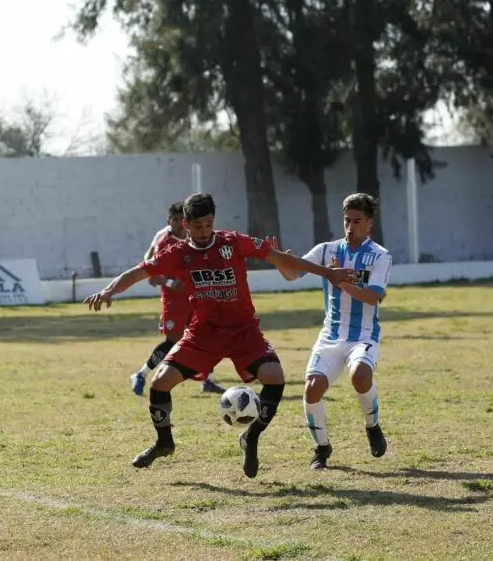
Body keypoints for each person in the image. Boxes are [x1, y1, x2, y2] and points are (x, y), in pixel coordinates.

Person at [84, 192, 357, 478]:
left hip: (243, 331)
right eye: (197, 226)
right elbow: (138, 272)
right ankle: (164, 442)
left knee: (275, 377)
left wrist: (329, 273)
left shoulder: (232, 242)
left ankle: (251, 438)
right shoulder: (177, 253)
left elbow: (279, 258)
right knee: (160, 383)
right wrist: (109, 290)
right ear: (185, 225)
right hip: (203, 333)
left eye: (208, 224)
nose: (204, 232)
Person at [272, 193, 392, 470]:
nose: (350, 226)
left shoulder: (380, 256)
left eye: (357, 221)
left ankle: (372, 426)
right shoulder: (326, 250)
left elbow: (373, 297)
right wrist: (279, 260)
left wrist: (338, 281)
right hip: (330, 335)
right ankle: (322, 448)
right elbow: (292, 274)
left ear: (369, 224)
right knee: (312, 390)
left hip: (363, 335)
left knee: (361, 376)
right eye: (347, 220)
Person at [131, 202, 225, 396]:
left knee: (204, 335)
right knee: (172, 341)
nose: (177, 224)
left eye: (179, 220)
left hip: (195, 297)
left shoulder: (194, 239)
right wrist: (173, 284)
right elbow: (152, 277)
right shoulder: (164, 243)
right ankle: (141, 374)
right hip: (174, 301)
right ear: (169, 221)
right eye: (173, 220)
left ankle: (208, 380)